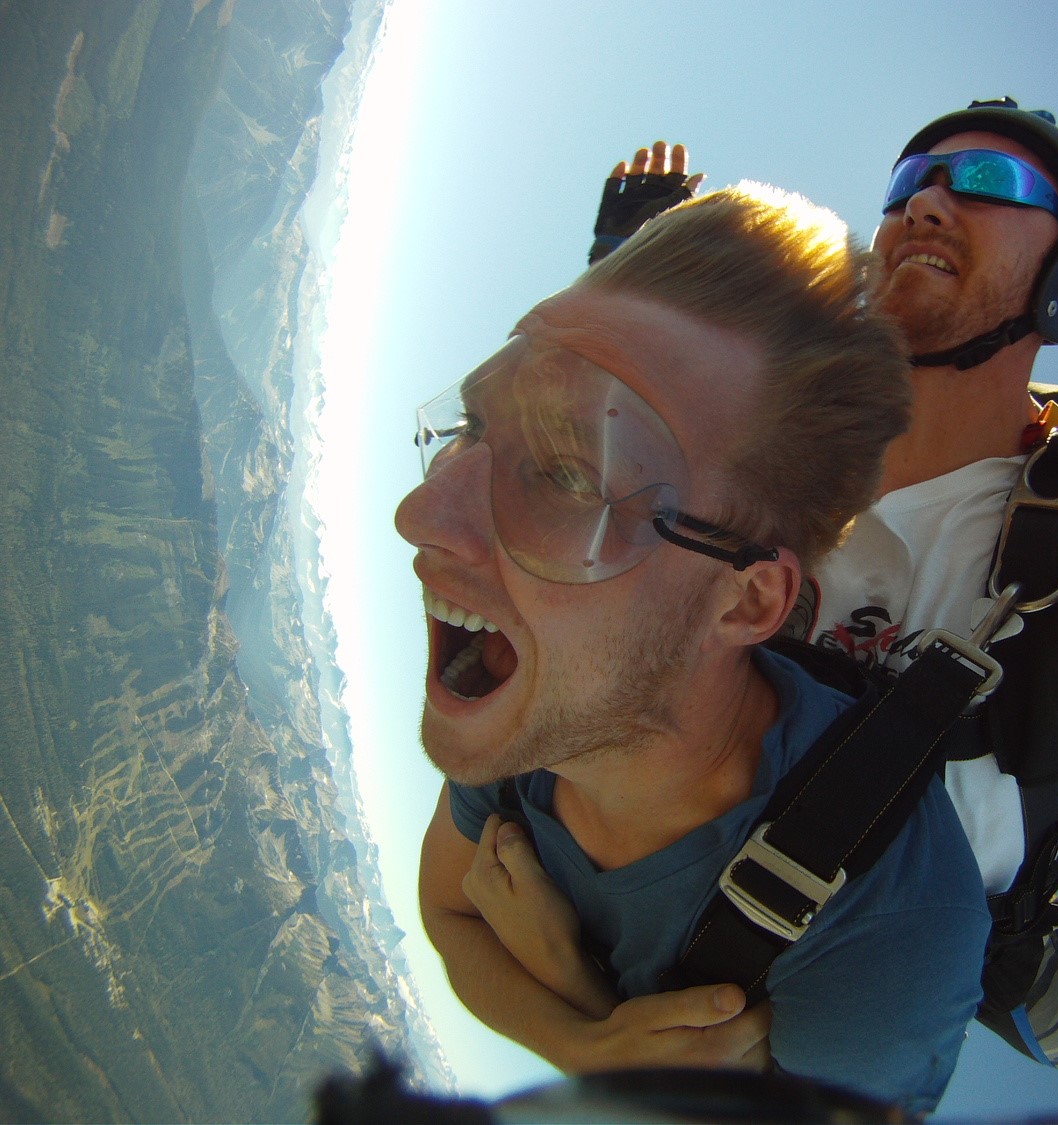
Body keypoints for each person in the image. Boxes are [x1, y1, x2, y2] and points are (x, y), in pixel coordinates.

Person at [481, 102, 1058, 1108]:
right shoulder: (755, 438)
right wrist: (631, 278)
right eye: (908, 183)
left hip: (850, 992)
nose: (926, 200)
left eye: (990, 183)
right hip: (649, 923)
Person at [403, 182, 992, 1115]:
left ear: (747, 599)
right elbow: (452, 911)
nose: (420, 518)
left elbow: (466, 913)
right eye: (474, 430)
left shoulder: (883, 940)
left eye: (568, 476)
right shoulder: (536, 700)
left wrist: (576, 989)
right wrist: (585, 1039)